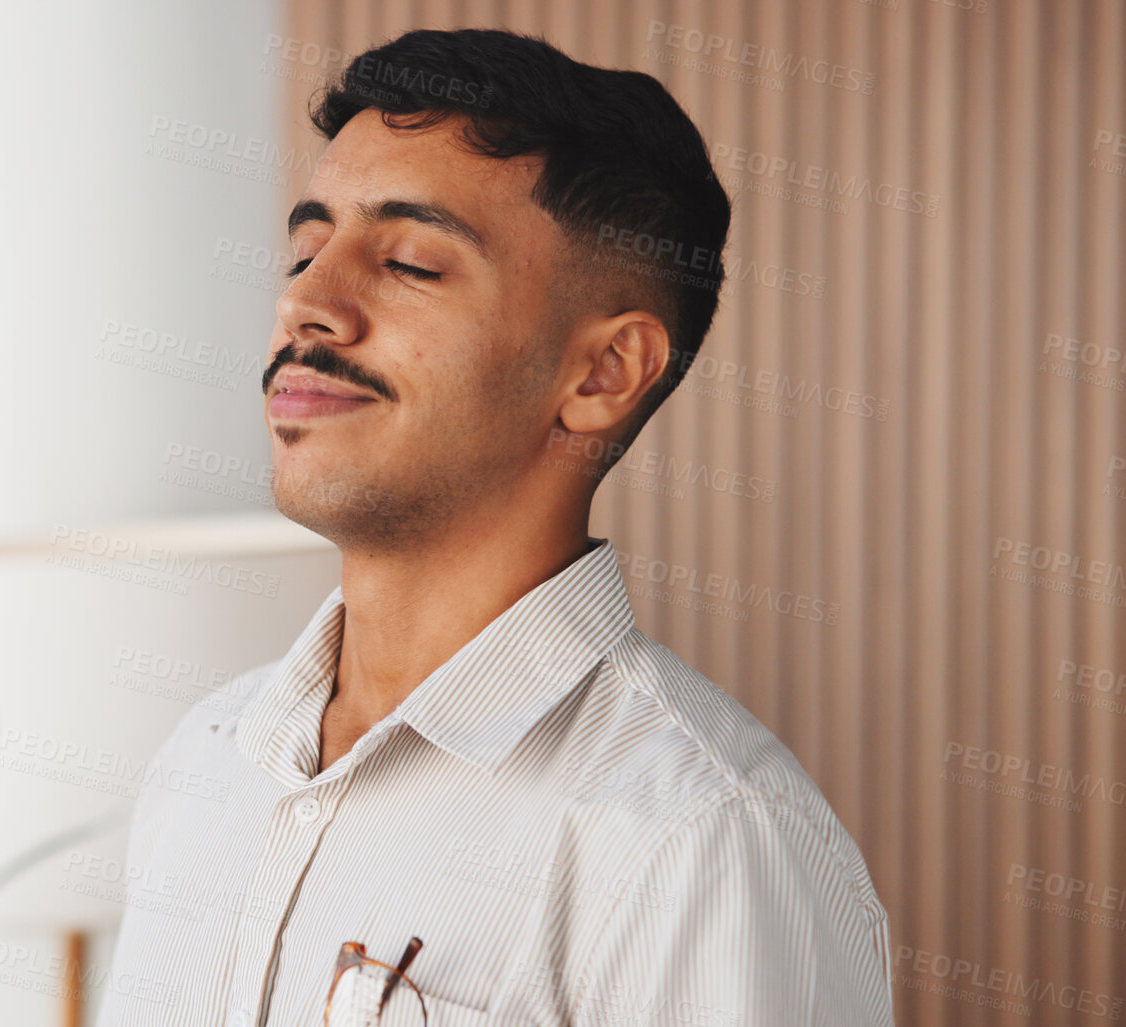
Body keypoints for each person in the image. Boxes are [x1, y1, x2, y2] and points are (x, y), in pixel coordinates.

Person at [97, 27, 893, 1027]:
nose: (306, 300)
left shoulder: (699, 836)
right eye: (306, 250)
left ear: (602, 372)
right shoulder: (206, 761)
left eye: (409, 262)